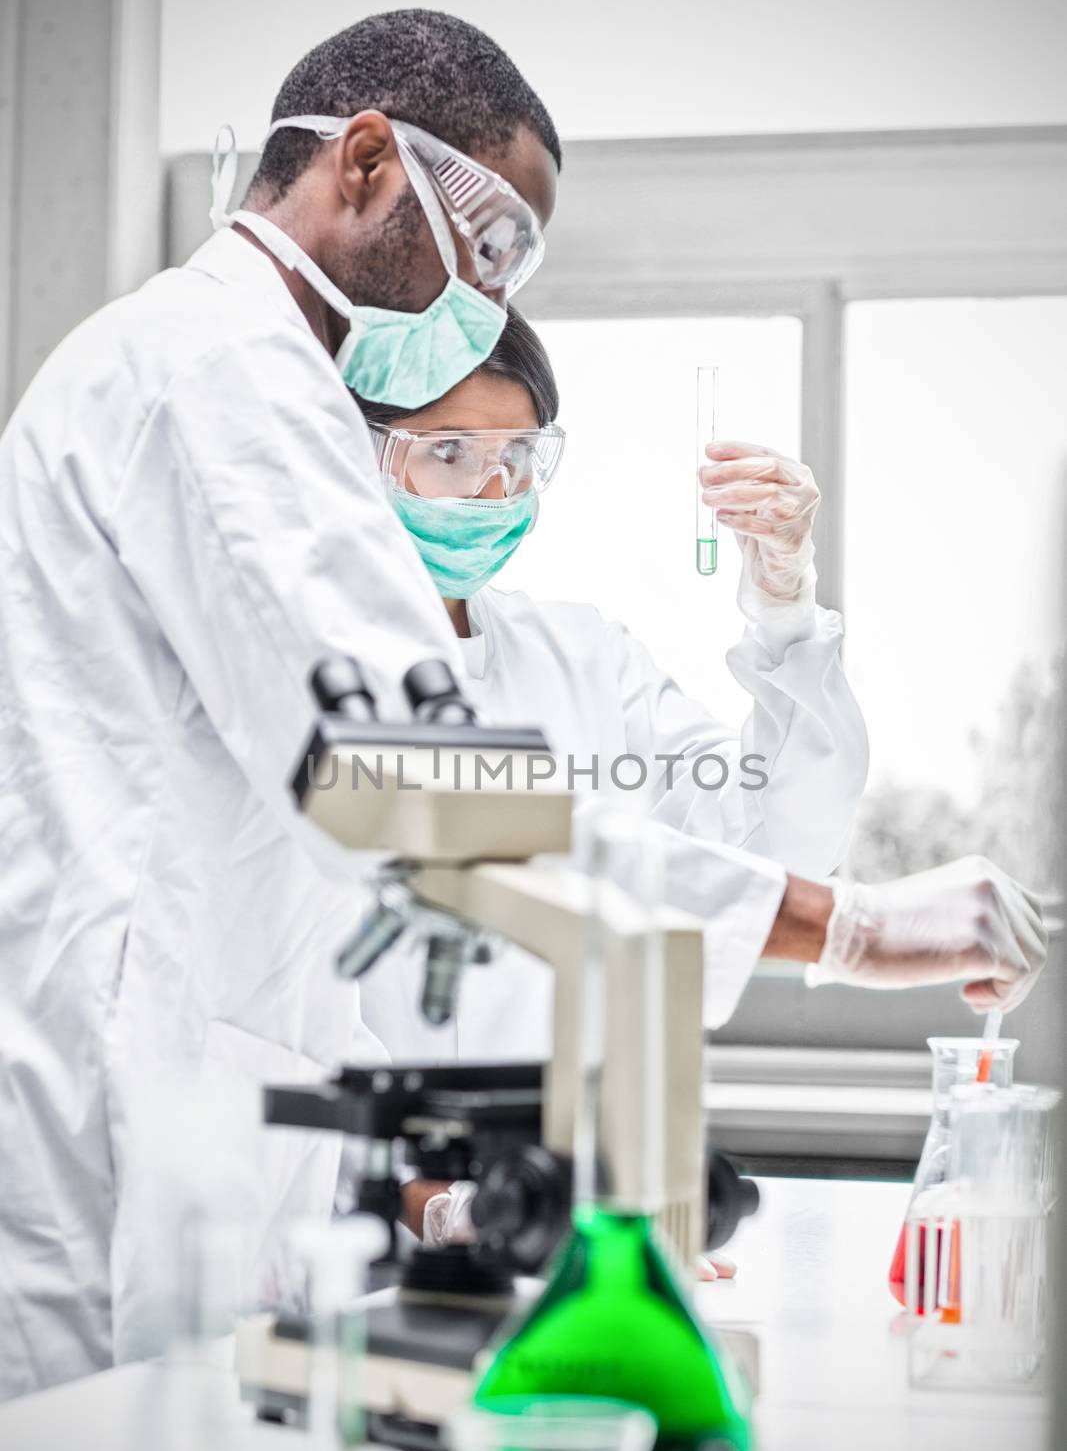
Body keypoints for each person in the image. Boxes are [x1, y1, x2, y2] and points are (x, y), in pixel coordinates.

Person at [0, 10, 561, 1403]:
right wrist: (822, 919)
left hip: (197, 1110)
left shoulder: (244, 373)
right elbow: (405, 779)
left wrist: (436, 1174)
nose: (488, 306)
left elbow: (281, 866)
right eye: (491, 246)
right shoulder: (222, 369)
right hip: (116, 1134)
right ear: (365, 160)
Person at [349, 310, 1049, 1245]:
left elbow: (778, 830)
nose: (488, 489)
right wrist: (438, 1210)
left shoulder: (582, 656)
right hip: (354, 1237)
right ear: (354, 452)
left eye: (517, 455)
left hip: (553, 1221)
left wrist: (783, 601)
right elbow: (479, 848)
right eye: (446, 452)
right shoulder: (311, 671)